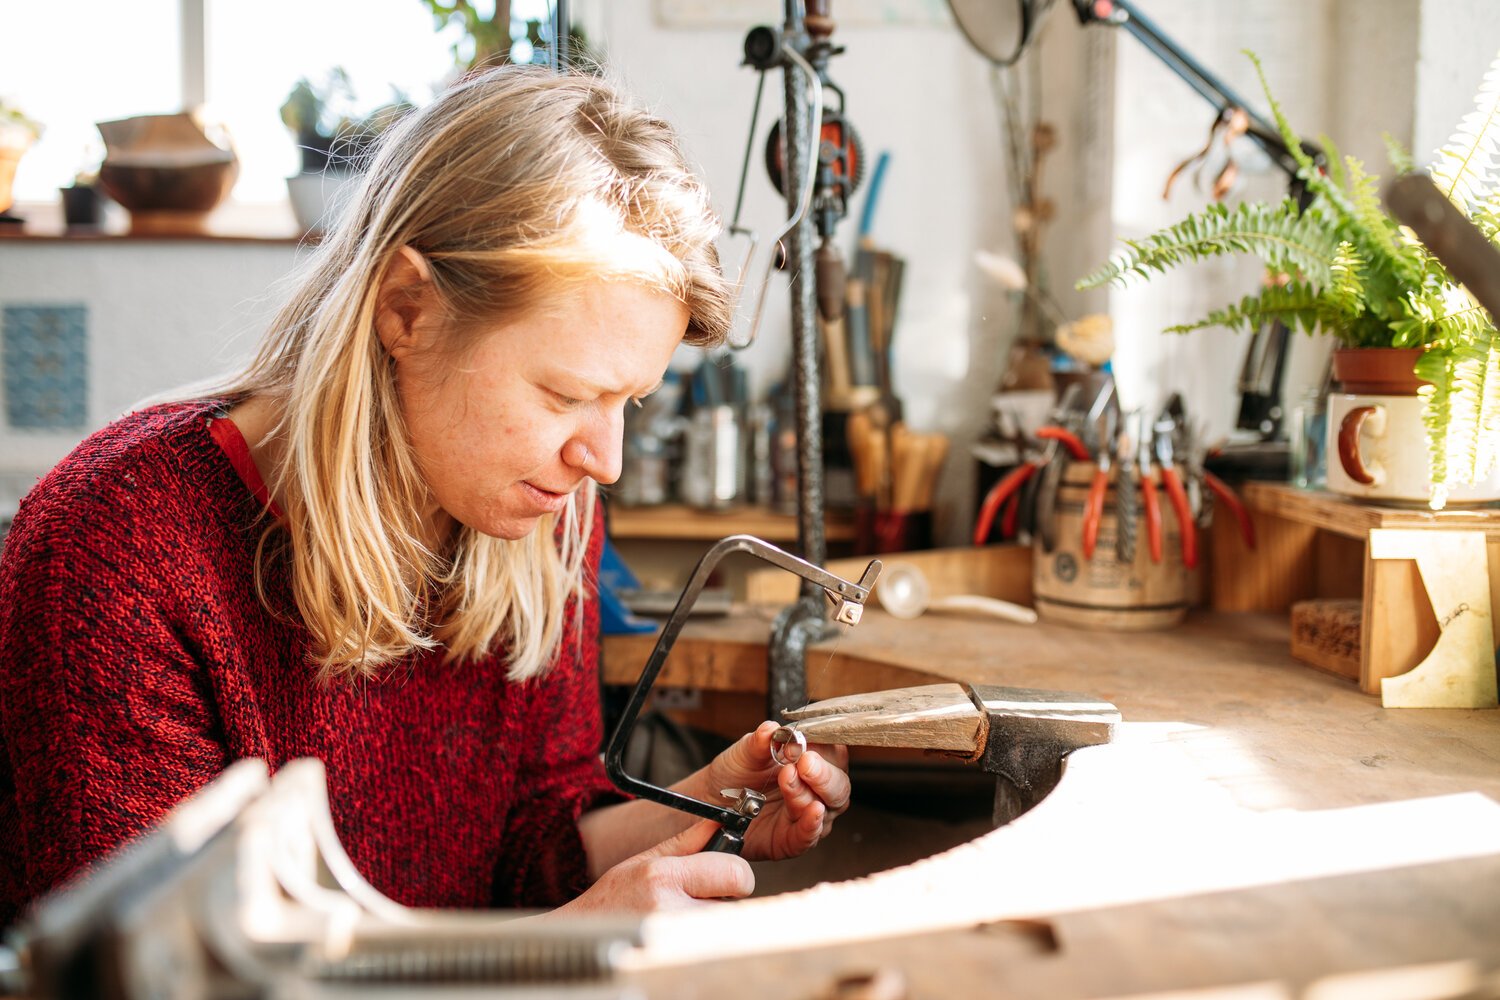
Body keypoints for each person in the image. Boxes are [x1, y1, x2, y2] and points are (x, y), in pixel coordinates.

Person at [0, 66, 850, 925]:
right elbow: (164, 974)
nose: (605, 461)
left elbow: (526, 854)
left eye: (629, 401)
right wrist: (556, 955)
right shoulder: (117, 551)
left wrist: (702, 805)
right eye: (563, 395)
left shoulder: (542, 522)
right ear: (407, 309)